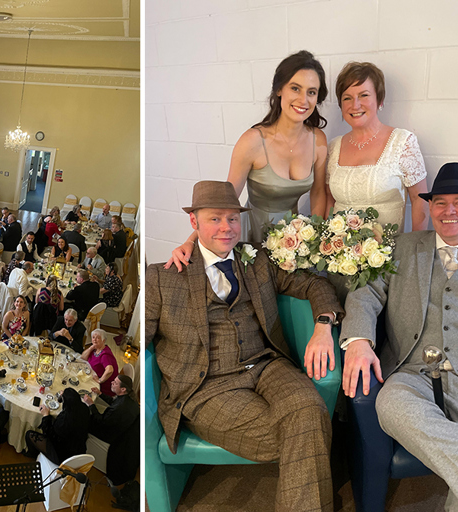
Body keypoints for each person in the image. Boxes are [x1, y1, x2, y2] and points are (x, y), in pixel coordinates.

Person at [146, 180, 343, 512]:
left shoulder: (257, 260)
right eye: (215, 219)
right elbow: (142, 339)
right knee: (304, 433)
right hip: (207, 387)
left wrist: (324, 324)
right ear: (194, 223)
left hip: (267, 365)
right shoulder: (162, 277)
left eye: (233, 219)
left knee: (310, 411)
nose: (226, 227)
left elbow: (313, 284)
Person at [341, 163, 458, 510]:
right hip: (413, 377)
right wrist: (360, 341)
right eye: (440, 202)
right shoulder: (403, 247)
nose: (449, 211)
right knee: (390, 405)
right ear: (430, 206)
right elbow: (365, 292)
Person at [168, 51, 331, 271]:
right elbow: (227, 199)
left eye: (311, 92)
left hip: (295, 236)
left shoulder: (318, 140)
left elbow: (319, 193)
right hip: (252, 233)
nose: (304, 100)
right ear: (279, 89)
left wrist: (312, 236)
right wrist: (190, 241)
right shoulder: (252, 141)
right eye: (295, 88)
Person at [326, 61, 428, 231]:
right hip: (339, 253)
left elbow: (420, 199)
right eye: (347, 98)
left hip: (389, 252)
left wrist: (416, 248)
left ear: (379, 100)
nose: (355, 105)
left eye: (364, 95)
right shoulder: (333, 147)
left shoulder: (403, 142)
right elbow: (329, 199)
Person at [24, 387, 90, 464]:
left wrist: (46, 415)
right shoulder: (85, 409)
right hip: (78, 449)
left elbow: (49, 434)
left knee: (29, 435)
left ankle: (33, 454)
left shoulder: (64, 421)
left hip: (62, 456)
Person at [83, 374, 139, 444]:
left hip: (110, 435)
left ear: (123, 389)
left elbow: (100, 421)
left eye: (115, 383)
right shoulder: (129, 397)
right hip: (122, 428)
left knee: (82, 415)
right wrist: (100, 393)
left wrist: (91, 404)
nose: (111, 382)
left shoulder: (119, 408)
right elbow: (113, 401)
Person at [80, 329, 119, 397]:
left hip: (103, 387)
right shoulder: (96, 348)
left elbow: (110, 370)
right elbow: (83, 358)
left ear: (103, 340)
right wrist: (91, 347)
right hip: (92, 375)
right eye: (93, 337)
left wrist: (100, 380)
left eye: (98, 338)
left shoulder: (105, 355)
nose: (94, 340)